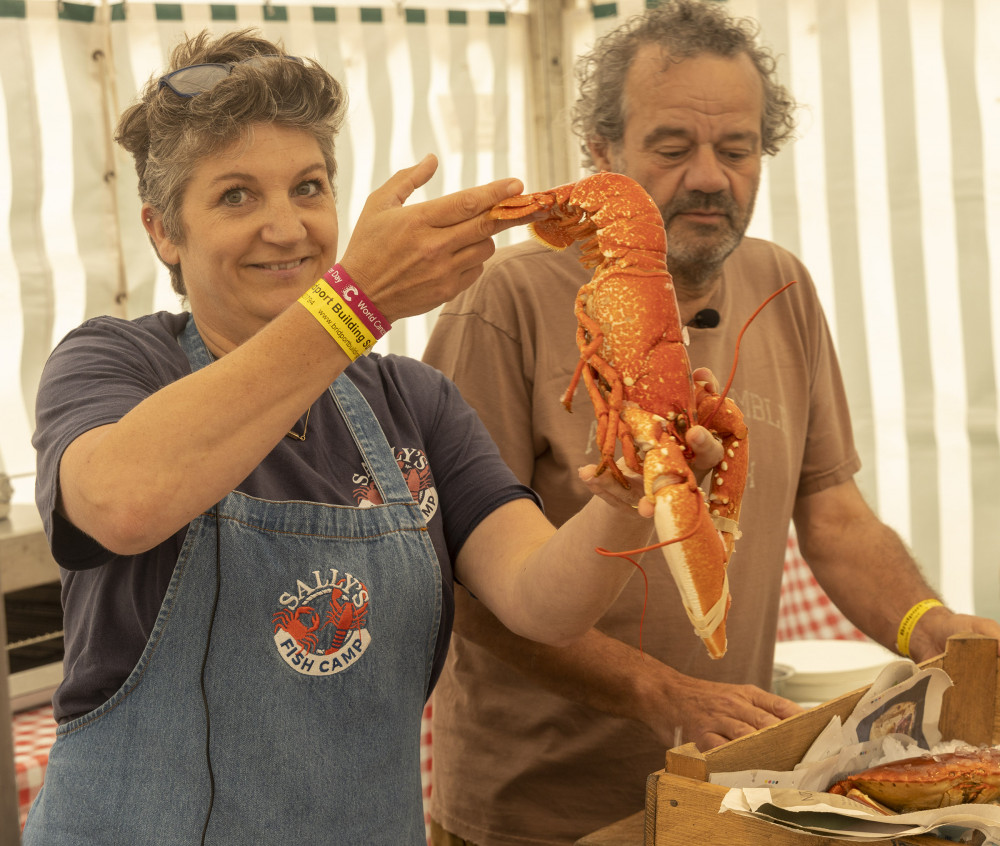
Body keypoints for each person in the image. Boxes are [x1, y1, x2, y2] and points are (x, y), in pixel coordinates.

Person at [21, 28, 684, 845]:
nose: (287, 227)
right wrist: (352, 306)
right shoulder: (114, 359)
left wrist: (625, 502)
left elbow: (541, 602)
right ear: (163, 232)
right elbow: (121, 503)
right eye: (236, 196)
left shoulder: (414, 401)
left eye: (308, 187)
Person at [421, 2, 1000, 844]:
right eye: (671, 147)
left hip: (727, 799)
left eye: (735, 150)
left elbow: (833, 513)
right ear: (602, 151)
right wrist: (661, 691)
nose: (708, 176)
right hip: (537, 811)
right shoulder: (503, 301)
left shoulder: (784, 287)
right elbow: (460, 581)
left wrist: (928, 625)